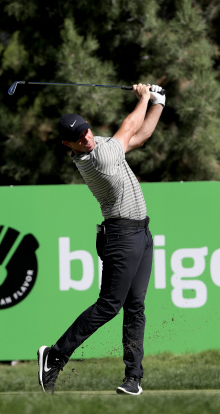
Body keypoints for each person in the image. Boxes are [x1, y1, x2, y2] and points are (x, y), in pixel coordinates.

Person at [37, 83, 165, 395]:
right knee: (109, 305)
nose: (86, 137)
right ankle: (55, 355)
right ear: (70, 144)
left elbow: (142, 135)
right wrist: (144, 97)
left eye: (87, 130)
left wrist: (158, 103)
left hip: (141, 233)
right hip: (121, 235)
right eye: (79, 138)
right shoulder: (99, 158)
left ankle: (133, 378)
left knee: (135, 307)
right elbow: (131, 124)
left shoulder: (101, 145)